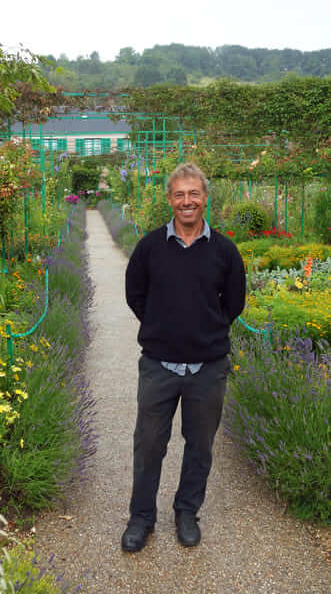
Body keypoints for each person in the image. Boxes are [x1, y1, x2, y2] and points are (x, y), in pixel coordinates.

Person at [122, 162, 246, 552]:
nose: (187, 201)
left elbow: (235, 303)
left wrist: (203, 332)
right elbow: (135, 295)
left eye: (194, 193)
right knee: (148, 445)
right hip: (159, 366)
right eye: (180, 194)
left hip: (208, 369)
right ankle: (141, 518)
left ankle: (187, 512)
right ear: (170, 199)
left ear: (205, 198)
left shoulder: (225, 250)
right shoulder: (150, 248)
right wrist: (163, 327)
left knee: (200, 446)